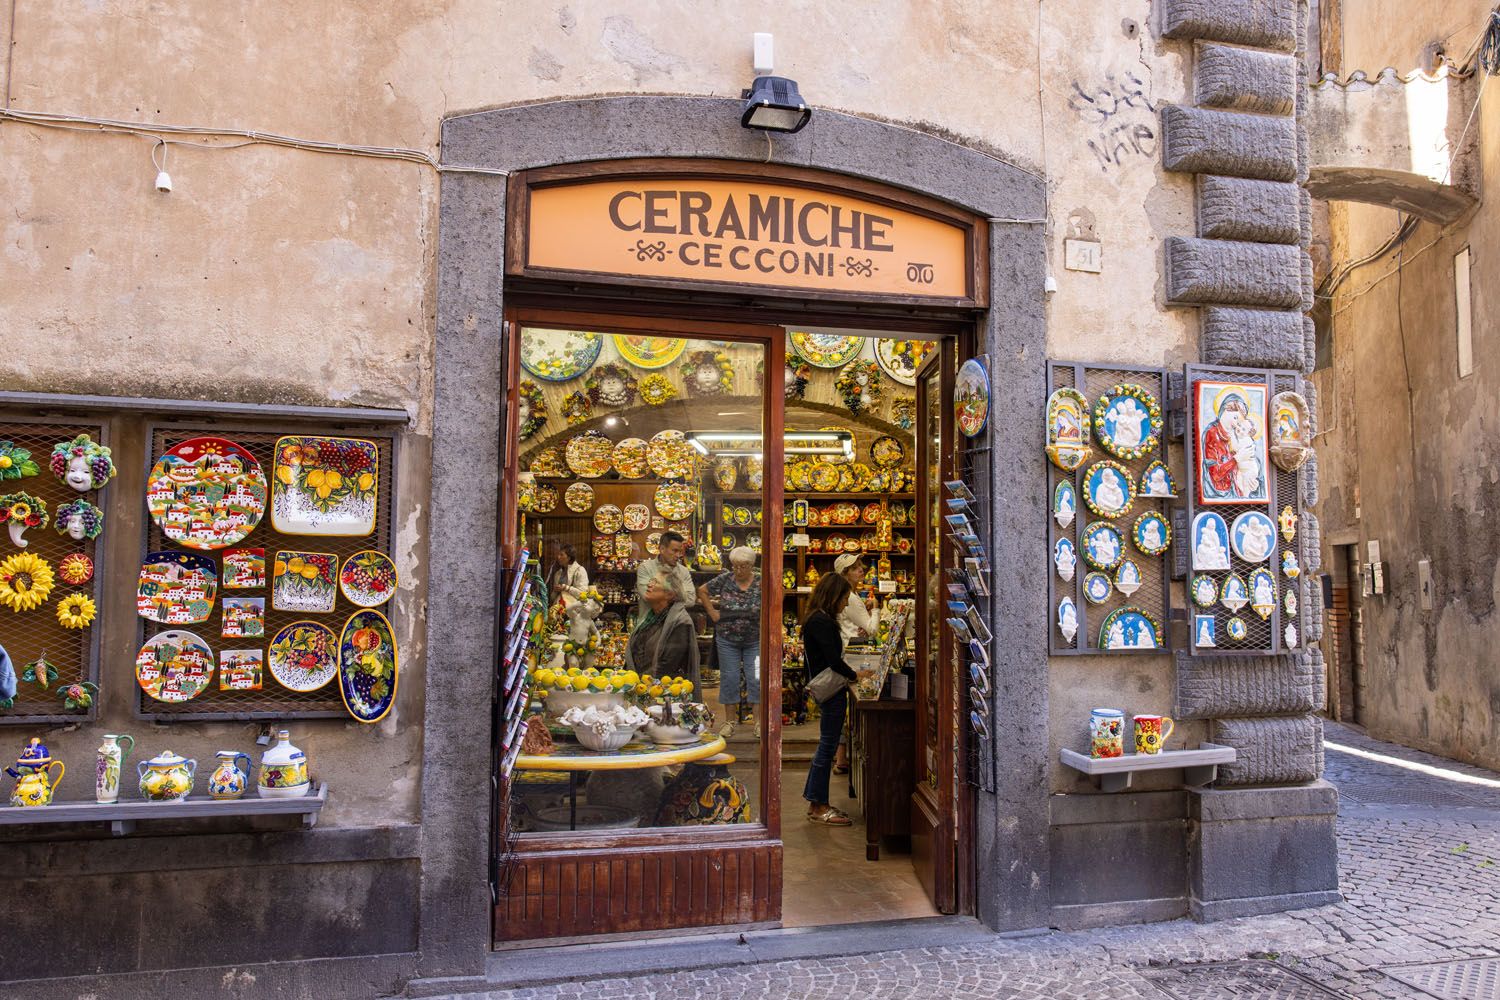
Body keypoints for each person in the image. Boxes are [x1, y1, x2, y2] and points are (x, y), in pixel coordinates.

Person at [801, 571, 857, 826]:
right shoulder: (821, 622)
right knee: (827, 746)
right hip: (831, 691)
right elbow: (834, 660)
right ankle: (818, 804)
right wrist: (856, 675)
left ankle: (816, 800)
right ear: (834, 596)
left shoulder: (817, 619)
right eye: (844, 597)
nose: (846, 603)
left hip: (830, 689)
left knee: (826, 746)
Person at [698, 546, 762, 740]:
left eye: (743, 566)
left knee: (756, 679)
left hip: (755, 640)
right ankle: (729, 723)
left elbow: (780, 592)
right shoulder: (725, 579)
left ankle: (758, 723)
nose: (739, 570)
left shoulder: (761, 581)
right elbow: (702, 591)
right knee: (729, 679)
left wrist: (769, 616)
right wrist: (712, 612)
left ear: (751, 565)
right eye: (735, 566)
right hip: (727, 639)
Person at [832, 553, 876, 774]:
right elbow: (871, 628)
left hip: (847, 654)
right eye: (855, 568)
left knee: (845, 707)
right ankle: (842, 758)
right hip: (853, 657)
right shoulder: (850, 597)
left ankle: (841, 758)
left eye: (860, 566)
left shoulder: (847, 595)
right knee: (848, 708)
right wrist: (876, 608)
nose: (861, 570)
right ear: (844, 573)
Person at [626, 573, 700, 689]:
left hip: (662, 692)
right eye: (651, 580)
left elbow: (667, 666)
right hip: (640, 687)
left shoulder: (680, 622)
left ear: (669, 594)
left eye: (655, 582)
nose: (649, 585)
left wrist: (640, 683)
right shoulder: (651, 617)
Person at [634, 530, 695, 624]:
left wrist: (660, 594)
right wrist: (678, 595)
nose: (678, 555)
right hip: (649, 627)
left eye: (680, 551)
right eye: (674, 551)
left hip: (676, 627)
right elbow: (647, 596)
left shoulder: (683, 571)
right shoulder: (645, 568)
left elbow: (691, 600)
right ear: (662, 549)